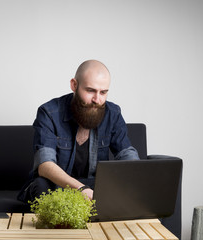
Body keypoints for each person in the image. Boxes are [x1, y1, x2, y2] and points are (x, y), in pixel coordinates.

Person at [18, 60, 139, 203]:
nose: (97, 99)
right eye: (90, 90)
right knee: (41, 187)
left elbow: (126, 154)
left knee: (123, 187)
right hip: (59, 185)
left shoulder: (113, 113)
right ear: (74, 85)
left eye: (103, 92)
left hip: (93, 186)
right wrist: (81, 189)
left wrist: (137, 176)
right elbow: (45, 165)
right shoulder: (49, 112)